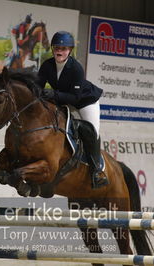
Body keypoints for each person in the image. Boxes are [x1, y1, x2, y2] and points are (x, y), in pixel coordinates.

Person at [37, 31, 109, 189]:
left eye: (63, 48)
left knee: (92, 131)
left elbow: (75, 98)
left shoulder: (76, 68)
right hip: (64, 99)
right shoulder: (47, 65)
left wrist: (54, 94)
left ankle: (97, 170)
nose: (59, 51)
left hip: (85, 101)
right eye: (57, 47)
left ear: (69, 50)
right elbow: (38, 86)